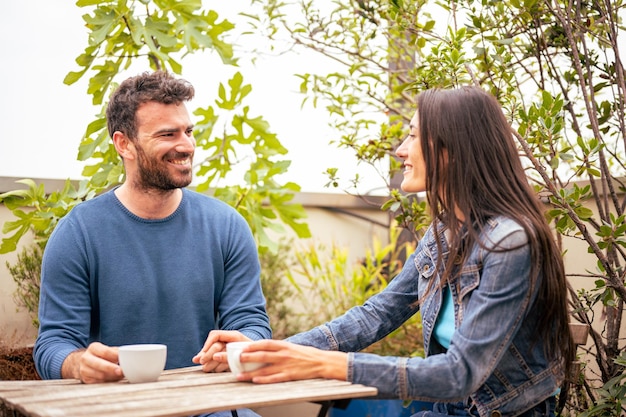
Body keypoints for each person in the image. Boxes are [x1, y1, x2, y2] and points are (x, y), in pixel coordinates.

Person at [193, 86, 575, 417]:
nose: (400, 150)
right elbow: (377, 314)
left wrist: (325, 365)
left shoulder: (509, 243)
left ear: (451, 150)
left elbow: (459, 374)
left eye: (412, 137)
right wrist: (273, 350)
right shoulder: (445, 233)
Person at [34, 71, 271, 416]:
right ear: (124, 144)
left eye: (188, 131)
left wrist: (241, 346)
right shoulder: (78, 233)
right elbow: (53, 346)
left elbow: (251, 323)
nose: (186, 145)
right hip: (116, 408)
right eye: (167, 134)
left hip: (209, 408)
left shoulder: (227, 227)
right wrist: (77, 363)